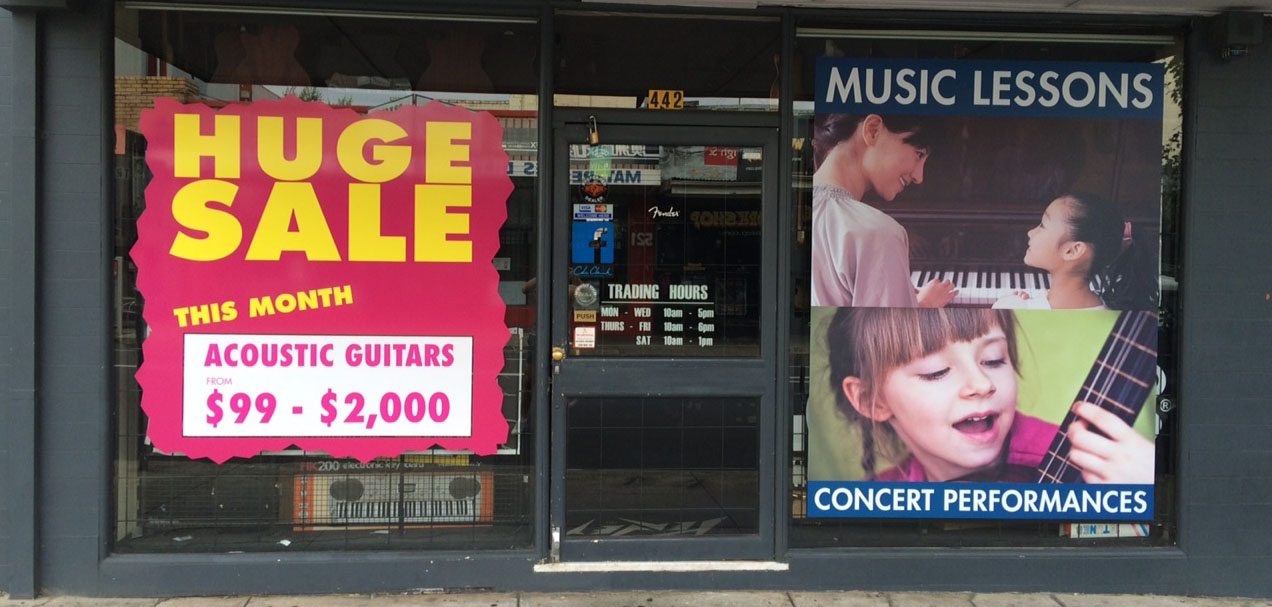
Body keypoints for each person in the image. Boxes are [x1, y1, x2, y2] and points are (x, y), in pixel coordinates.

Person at [826, 307, 1154, 483]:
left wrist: (1150, 489)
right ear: (872, 400)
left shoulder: (1089, 466)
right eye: (936, 371)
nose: (982, 384)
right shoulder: (878, 497)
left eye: (993, 360)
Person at [810, 113, 956, 308]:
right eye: (919, 153)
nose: (919, 176)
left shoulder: (792, 211)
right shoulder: (879, 234)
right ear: (873, 130)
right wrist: (923, 306)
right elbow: (886, 328)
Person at [994, 193, 1156, 310]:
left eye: (1042, 225)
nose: (1030, 232)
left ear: (1073, 250)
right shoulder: (1115, 317)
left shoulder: (1010, 307)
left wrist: (1016, 305)